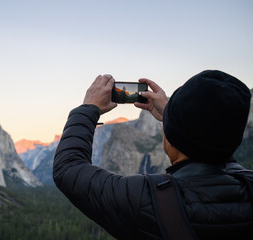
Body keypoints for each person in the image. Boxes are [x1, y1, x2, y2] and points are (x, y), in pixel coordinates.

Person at [53, 70, 253, 240]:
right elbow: (217, 149)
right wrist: (177, 117)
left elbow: (68, 168)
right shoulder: (248, 184)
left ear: (171, 137)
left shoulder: (145, 202)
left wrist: (88, 109)